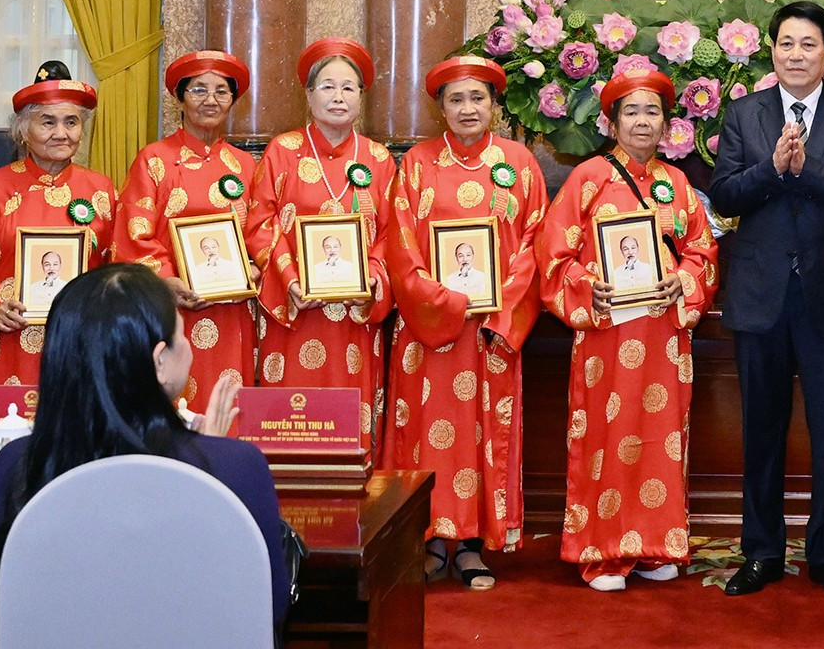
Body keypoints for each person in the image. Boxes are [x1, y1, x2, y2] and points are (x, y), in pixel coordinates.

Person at [0, 264, 289, 621]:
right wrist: (208, 468)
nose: (189, 348)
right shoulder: (236, 467)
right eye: (182, 335)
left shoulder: (13, 463)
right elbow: (269, 603)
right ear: (159, 361)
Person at [710, 1, 824, 598]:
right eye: (786, 43)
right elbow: (726, 194)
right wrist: (772, 169)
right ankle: (759, 552)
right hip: (760, 296)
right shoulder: (743, 115)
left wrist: (807, 169)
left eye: (808, 44)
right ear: (771, 50)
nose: (796, 54)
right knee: (761, 428)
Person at [537, 67, 720, 590]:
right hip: (606, 337)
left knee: (661, 439)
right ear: (611, 122)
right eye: (632, 111)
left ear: (667, 123)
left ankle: (654, 545)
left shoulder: (676, 183)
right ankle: (602, 552)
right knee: (607, 437)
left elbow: (703, 252)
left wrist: (683, 280)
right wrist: (585, 284)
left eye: (653, 111)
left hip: (664, 336)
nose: (643, 121)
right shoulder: (588, 178)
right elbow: (553, 254)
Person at [381, 55, 548, 588]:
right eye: (456, 99)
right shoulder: (417, 165)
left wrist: (498, 305)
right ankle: (429, 537)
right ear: (441, 110)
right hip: (429, 330)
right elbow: (399, 245)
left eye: (478, 98)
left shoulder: (520, 162)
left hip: (490, 332)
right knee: (426, 434)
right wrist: (442, 300)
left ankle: (475, 543)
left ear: (496, 106)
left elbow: (536, 244)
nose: (468, 108)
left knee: (484, 432)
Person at [250, 39, 395, 449]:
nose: (338, 97)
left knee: (348, 424)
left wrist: (371, 280)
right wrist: (291, 279)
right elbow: (259, 221)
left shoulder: (379, 159)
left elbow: (391, 233)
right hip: (295, 312)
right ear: (309, 94)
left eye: (348, 88)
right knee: (290, 425)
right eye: (327, 86)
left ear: (361, 98)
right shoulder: (283, 150)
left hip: (353, 316)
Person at [0, 70, 114, 389]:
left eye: (72, 122)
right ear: (24, 130)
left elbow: (119, 271)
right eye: (48, 122)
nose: (61, 133)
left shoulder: (101, 190)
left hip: (78, 347)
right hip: (5, 346)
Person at [114, 50, 265, 407]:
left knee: (229, 408)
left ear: (233, 101)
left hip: (232, 313)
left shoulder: (245, 165)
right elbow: (133, 234)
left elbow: (260, 229)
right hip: (173, 312)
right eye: (198, 90)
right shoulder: (154, 159)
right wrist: (165, 279)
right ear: (180, 98)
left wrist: (257, 266)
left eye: (221, 92)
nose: (210, 100)